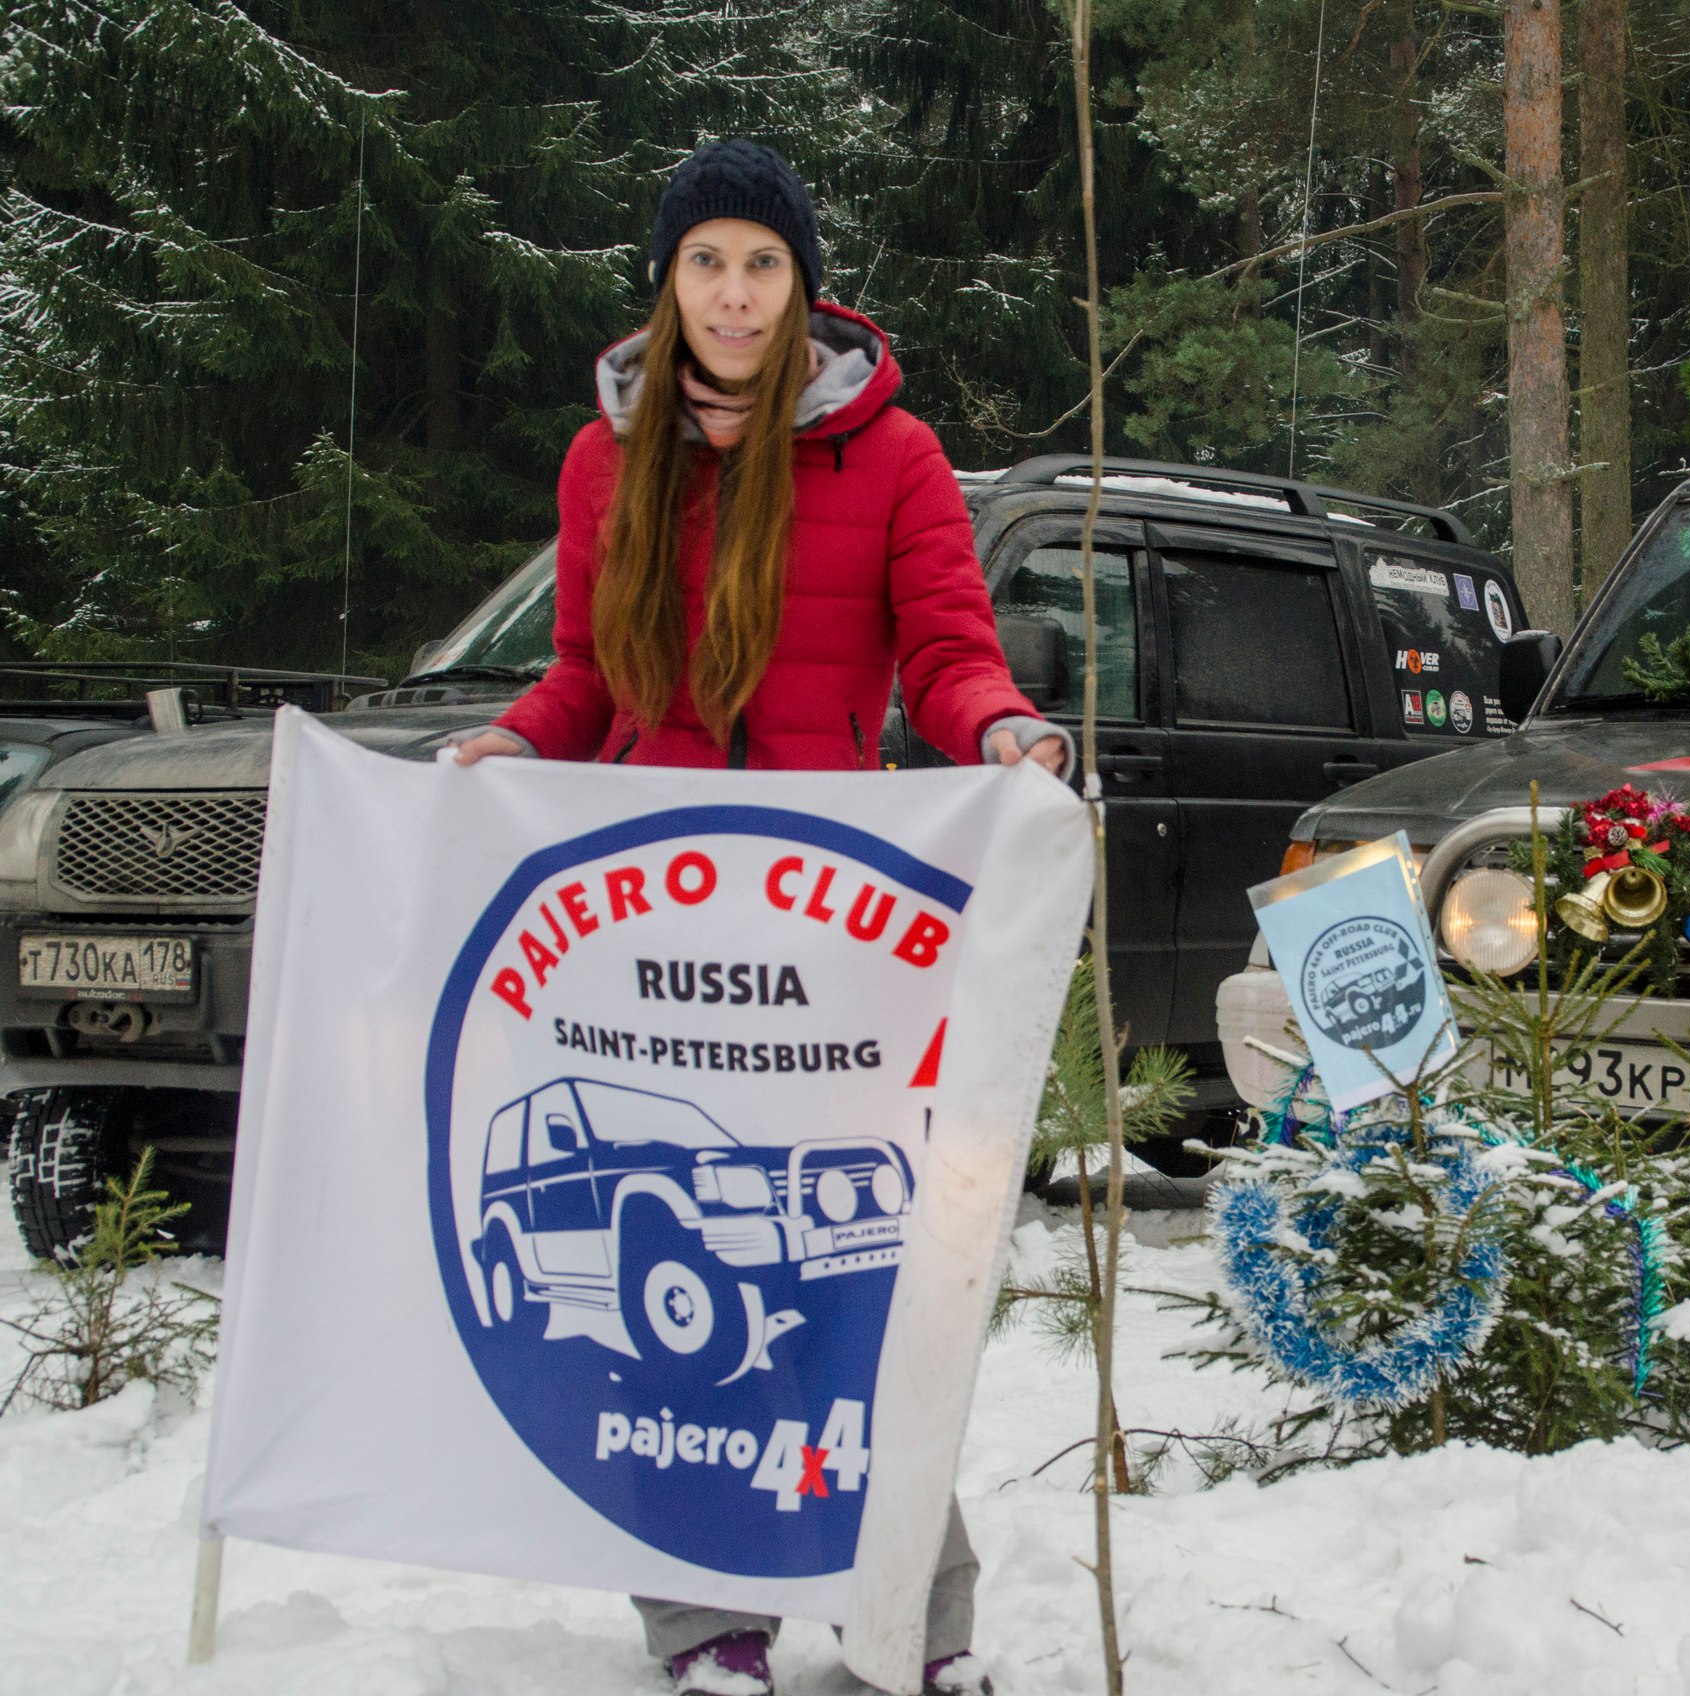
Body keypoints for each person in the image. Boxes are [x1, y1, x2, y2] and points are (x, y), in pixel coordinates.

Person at [453, 138, 1059, 1696]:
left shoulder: (895, 455)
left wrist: (1000, 728)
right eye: (708, 262)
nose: (734, 294)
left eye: (762, 264)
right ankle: (701, 1622)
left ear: (804, 286)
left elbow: (946, 651)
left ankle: (909, 1618)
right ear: (669, 281)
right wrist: (512, 742)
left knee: (856, 1285)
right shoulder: (605, 462)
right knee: (666, 1323)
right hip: (646, 944)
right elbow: (585, 675)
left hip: (822, 941)